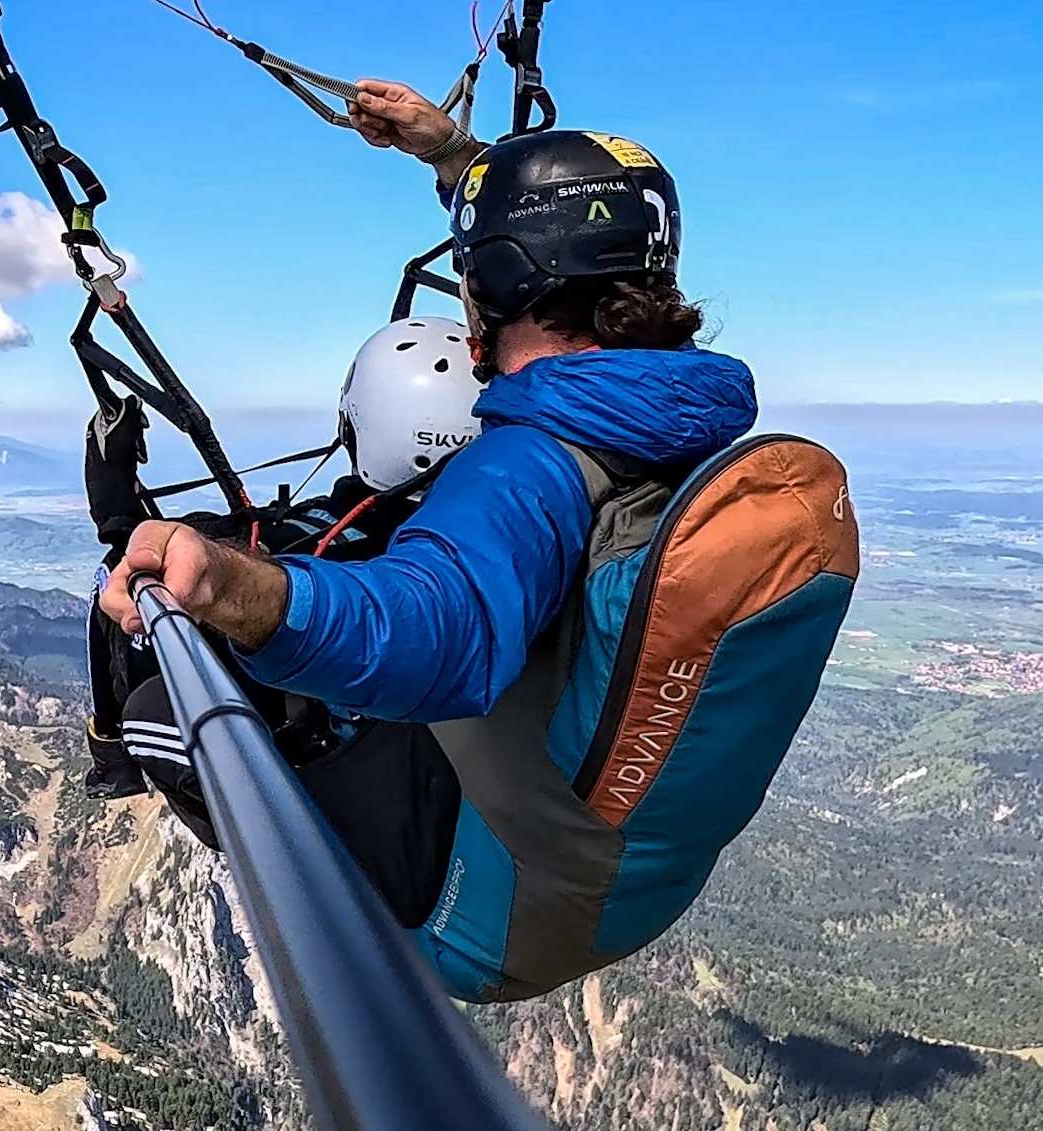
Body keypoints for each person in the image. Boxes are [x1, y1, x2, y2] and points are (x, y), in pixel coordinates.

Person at [97, 86, 811, 1003]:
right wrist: (455, 154)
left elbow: (438, 631)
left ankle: (344, 906)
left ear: (503, 286)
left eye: (473, 271)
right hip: (619, 878)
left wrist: (238, 590)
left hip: (486, 915)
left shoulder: (531, 464)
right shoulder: (681, 421)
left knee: (165, 705)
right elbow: (564, 237)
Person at [84, 317, 482, 929]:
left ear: (357, 422)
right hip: (466, 806)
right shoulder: (483, 551)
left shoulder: (318, 555)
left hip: (371, 840)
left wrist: (116, 514)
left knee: (153, 704)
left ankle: (115, 761)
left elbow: (150, 602)